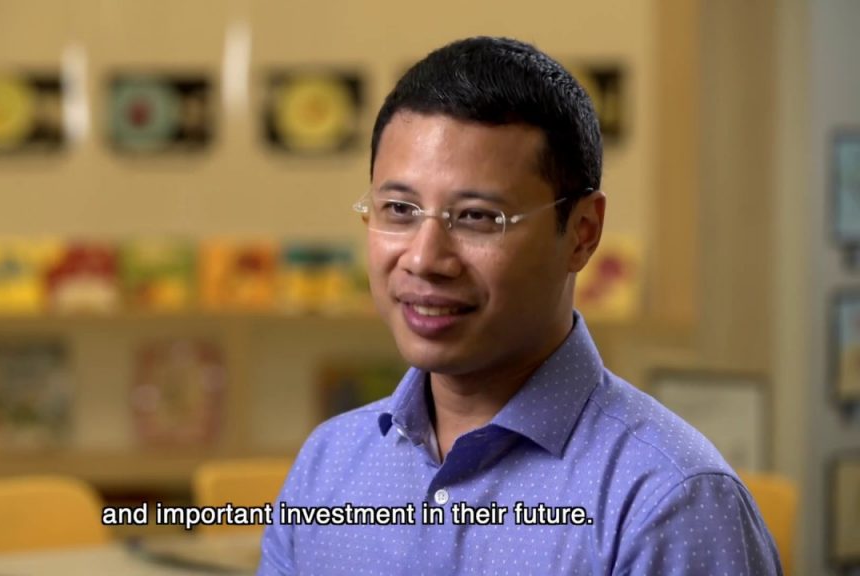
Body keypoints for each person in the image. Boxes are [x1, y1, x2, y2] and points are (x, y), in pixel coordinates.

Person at [259, 36, 782, 575]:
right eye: (400, 209)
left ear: (582, 233)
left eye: (478, 217)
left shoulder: (670, 502)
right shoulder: (327, 466)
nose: (425, 259)